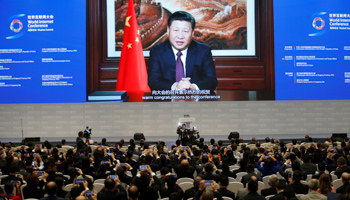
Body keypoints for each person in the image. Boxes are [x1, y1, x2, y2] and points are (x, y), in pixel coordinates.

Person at [148, 11, 218, 91]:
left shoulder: (203, 51)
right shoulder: (157, 51)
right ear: (168, 30)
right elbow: (153, 81)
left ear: (192, 33)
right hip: (167, 101)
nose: (180, 36)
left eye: (185, 31)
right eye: (176, 30)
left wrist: (192, 87)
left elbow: (212, 80)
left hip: (196, 101)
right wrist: (175, 87)